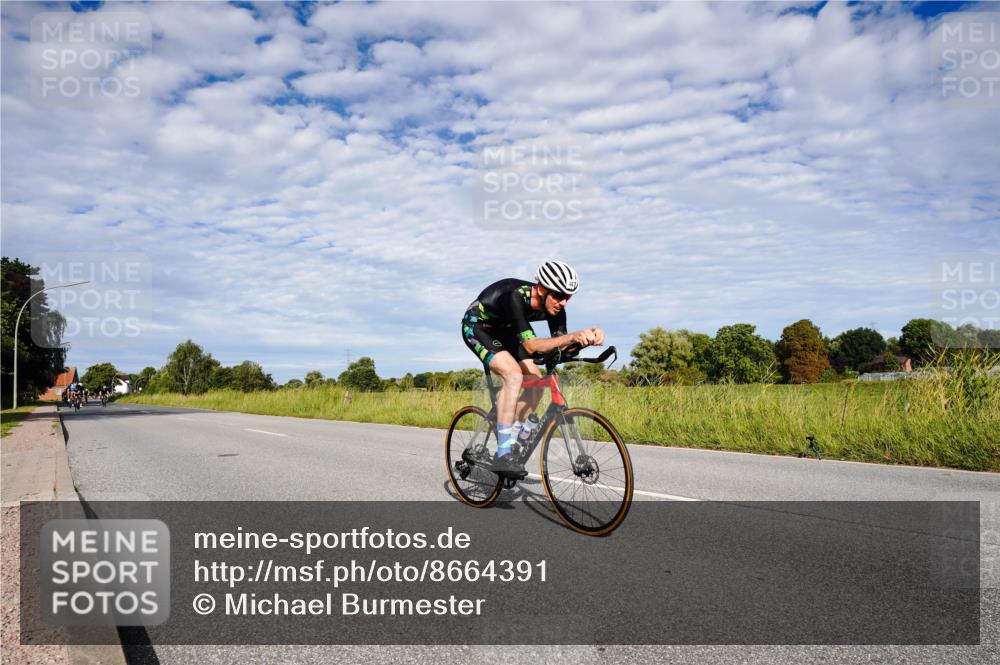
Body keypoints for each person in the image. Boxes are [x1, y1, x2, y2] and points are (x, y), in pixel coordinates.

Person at [461, 260, 603, 473]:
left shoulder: (556, 309)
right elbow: (531, 345)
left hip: (508, 331)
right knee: (513, 375)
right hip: (479, 327)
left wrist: (582, 341)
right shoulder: (515, 297)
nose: (563, 302)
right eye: (558, 295)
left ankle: (515, 435)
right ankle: (503, 453)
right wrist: (572, 336)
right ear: (540, 289)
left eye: (568, 297)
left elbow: (557, 346)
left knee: (536, 380)